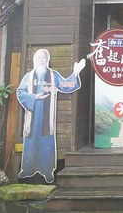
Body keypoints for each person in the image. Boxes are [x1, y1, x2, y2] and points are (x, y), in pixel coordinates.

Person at [17, 49, 85, 183]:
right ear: (34, 60)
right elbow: (20, 92)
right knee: (30, 142)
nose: (41, 60)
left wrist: (75, 73)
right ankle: (27, 169)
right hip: (32, 118)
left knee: (46, 144)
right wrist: (34, 97)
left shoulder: (54, 76)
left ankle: (47, 171)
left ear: (47, 60)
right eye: (38, 57)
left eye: (44, 57)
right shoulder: (28, 77)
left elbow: (66, 86)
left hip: (47, 119)